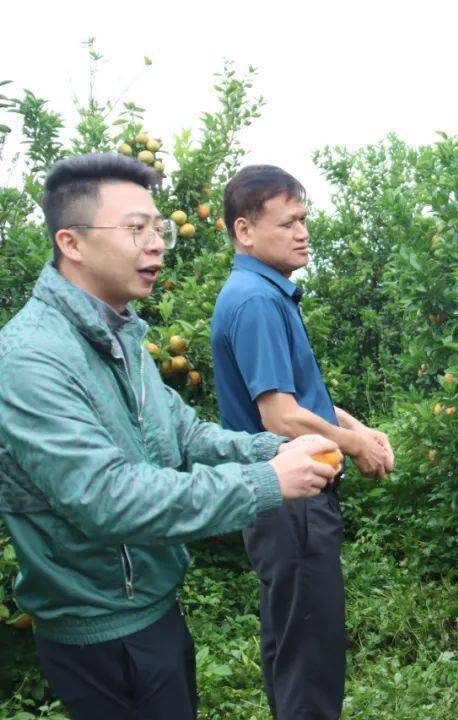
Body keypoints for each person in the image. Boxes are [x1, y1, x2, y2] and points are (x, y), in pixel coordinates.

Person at [0, 153, 340, 720]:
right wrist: (265, 481)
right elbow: (108, 499)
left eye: (157, 228)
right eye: (135, 228)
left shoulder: (121, 334)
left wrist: (273, 448)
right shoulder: (32, 358)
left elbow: (184, 433)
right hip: (99, 631)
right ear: (72, 242)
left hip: (152, 606)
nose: (156, 243)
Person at [211, 165, 394, 719]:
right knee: (309, 660)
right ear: (245, 231)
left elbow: (302, 401)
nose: (302, 232)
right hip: (293, 502)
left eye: (304, 219)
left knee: (294, 648)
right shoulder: (257, 302)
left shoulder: (263, 294)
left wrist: (355, 427)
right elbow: (281, 418)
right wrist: (353, 446)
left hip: (286, 503)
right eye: (288, 222)